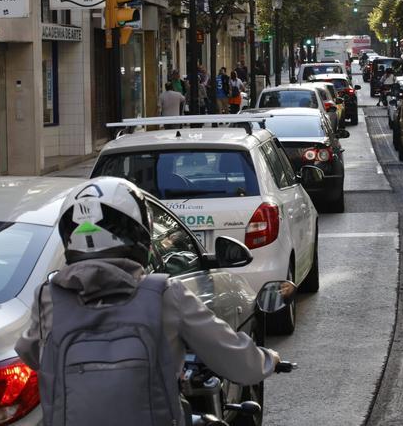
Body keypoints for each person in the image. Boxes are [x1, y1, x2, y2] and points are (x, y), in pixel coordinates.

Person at [15, 177, 280, 425]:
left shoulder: (48, 297)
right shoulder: (164, 294)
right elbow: (233, 356)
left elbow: (29, 352)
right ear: (139, 234)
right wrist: (268, 359)